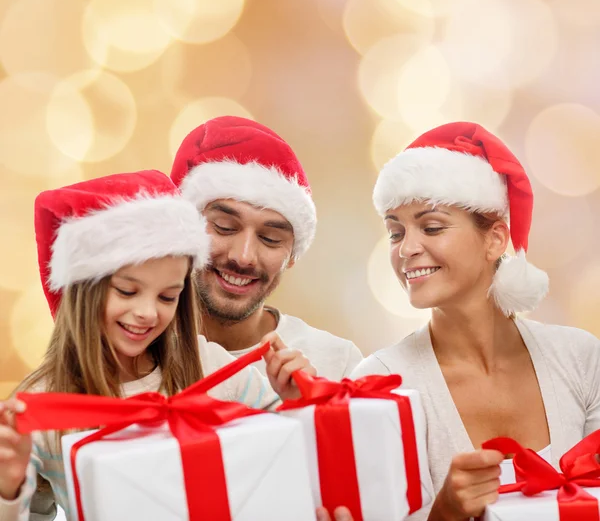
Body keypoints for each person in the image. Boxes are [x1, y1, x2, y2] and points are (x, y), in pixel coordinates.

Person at [0, 170, 316, 521]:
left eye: (168, 297)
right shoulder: (45, 406)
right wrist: (8, 489)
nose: (147, 313)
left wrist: (298, 404)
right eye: (127, 291)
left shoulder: (211, 366)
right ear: (82, 290)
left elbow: (289, 464)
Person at [351, 122, 600, 521]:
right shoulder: (381, 384)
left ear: (495, 239)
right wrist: (444, 513)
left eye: (431, 227)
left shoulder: (580, 358)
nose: (407, 249)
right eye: (395, 232)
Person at [170, 116, 363, 380]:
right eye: (224, 227)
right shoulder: (129, 352)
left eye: (270, 239)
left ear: (292, 255)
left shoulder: (337, 365)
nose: (244, 256)